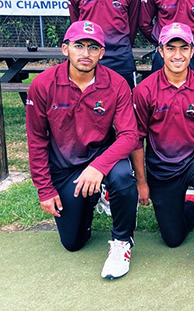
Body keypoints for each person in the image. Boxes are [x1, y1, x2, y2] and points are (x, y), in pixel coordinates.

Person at [26, 20, 139, 279]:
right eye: (79, 46)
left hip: (102, 157)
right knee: (73, 243)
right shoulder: (43, 84)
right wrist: (45, 189)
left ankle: (122, 242)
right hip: (65, 166)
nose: (85, 53)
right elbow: (36, 140)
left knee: (122, 177)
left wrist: (98, 167)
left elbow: (130, 135)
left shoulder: (117, 83)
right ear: (65, 49)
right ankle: (92, 198)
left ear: (102, 52)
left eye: (93, 47)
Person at [130, 22, 194, 278]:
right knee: (173, 239)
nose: (177, 55)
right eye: (171, 48)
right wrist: (142, 182)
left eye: (183, 48)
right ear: (161, 52)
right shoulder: (144, 90)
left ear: (192, 51)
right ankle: (193, 205)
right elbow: (136, 140)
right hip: (161, 169)